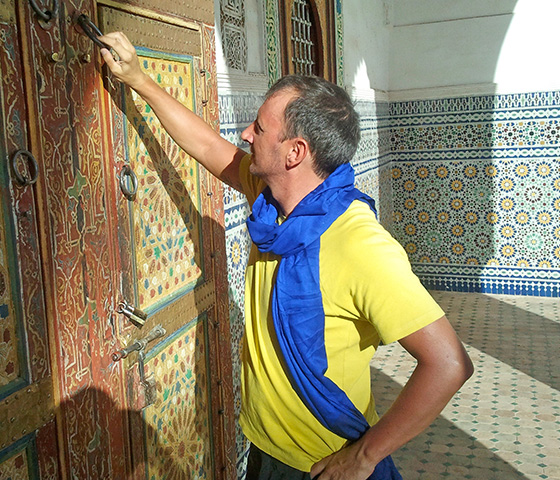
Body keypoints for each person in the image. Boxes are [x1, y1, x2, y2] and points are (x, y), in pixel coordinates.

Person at [98, 32, 474, 480]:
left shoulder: (359, 244)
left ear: (295, 152)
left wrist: (364, 457)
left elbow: (449, 364)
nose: (245, 134)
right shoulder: (271, 199)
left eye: (258, 128)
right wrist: (138, 79)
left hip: (319, 462)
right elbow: (206, 147)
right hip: (265, 447)